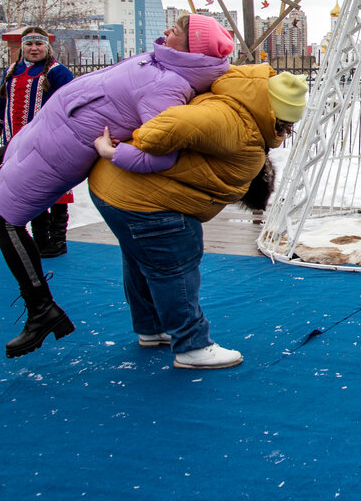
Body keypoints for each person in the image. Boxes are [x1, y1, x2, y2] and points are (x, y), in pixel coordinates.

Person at [0, 14, 235, 359]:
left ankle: (40, 308)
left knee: (4, 221)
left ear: (191, 47)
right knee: (17, 157)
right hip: (58, 128)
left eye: (177, 30)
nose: (167, 30)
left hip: (64, 148)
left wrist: (112, 152)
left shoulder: (166, 84)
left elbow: (161, 152)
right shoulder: (160, 62)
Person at [88, 65, 307, 370]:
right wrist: (121, 152)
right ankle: (192, 346)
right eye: (284, 122)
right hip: (146, 200)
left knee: (143, 258)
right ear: (271, 110)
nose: (285, 130)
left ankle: (152, 327)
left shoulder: (241, 116)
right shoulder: (230, 120)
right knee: (175, 263)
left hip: (124, 193)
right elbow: (165, 127)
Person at [0, 27, 75, 256]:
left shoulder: (57, 72)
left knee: (55, 187)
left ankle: (58, 240)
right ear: (22, 47)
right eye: (29, 44)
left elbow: (69, 104)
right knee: (30, 187)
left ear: (47, 47)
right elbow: (0, 102)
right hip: (16, 141)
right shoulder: (12, 71)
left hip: (49, 142)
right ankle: (40, 239)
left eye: (39, 44)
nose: (34, 49)